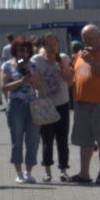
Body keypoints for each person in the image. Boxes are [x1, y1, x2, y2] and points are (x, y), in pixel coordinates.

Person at [67, 25, 100, 185]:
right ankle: (84, 173)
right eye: (83, 38)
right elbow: (73, 73)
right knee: (85, 141)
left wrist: (91, 61)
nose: (85, 41)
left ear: (98, 36)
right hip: (81, 103)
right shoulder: (80, 54)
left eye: (88, 38)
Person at [32, 33, 74, 182]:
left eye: (55, 44)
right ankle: (47, 170)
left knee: (63, 139)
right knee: (47, 140)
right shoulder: (36, 60)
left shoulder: (63, 58)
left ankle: (63, 169)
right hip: (45, 105)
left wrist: (63, 67)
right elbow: (35, 83)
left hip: (62, 103)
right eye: (49, 45)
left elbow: (70, 81)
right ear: (43, 46)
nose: (53, 48)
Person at [1, 37, 42, 184]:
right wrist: (21, 81)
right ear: (15, 50)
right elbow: (4, 87)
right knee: (17, 140)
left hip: (32, 105)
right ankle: (18, 173)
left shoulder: (32, 65)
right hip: (16, 105)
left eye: (26, 50)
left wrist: (30, 77)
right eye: (21, 50)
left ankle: (28, 172)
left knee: (33, 141)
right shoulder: (7, 65)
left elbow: (38, 85)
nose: (24, 53)